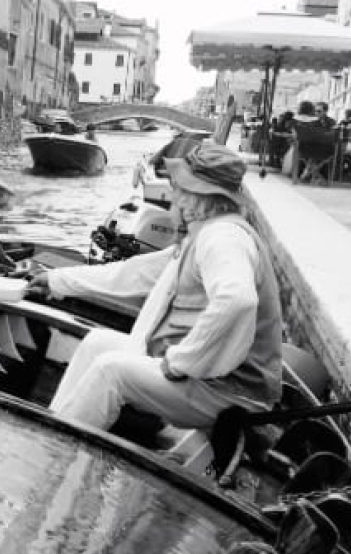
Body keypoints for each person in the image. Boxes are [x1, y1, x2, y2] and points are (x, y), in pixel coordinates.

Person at [25, 144, 282, 432]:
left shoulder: (222, 237)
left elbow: (237, 300)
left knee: (111, 371)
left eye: (180, 189)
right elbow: (135, 273)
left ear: (199, 196)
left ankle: (59, 442)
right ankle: (53, 425)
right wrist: (56, 281)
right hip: (207, 376)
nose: (174, 196)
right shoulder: (205, 234)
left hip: (228, 391)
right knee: (98, 343)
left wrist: (181, 362)